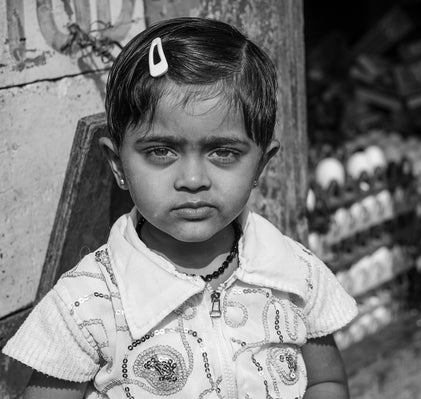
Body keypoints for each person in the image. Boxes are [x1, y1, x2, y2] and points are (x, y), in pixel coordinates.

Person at [2, 17, 357, 399]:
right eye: (160, 151)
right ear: (117, 164)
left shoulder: (293, 276)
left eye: (223, 152)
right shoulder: (86, 306)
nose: (191, 179)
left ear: (260, 166)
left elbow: (326, 381)